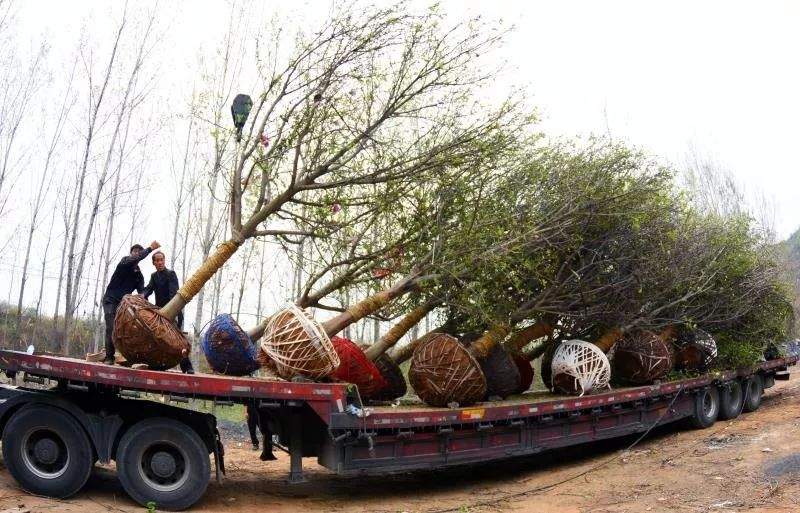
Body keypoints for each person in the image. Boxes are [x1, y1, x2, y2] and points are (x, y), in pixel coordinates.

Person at [102, 241, 160, 365]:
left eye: (139, 252)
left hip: (123, 305)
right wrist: (150, 248)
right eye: (134, 252)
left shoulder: (138, 275)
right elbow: (136, 257)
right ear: (131, 254)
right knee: (111, 328)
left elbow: (142, 294)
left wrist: (151, 308)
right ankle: (109, 357)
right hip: (110, 300)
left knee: (128, 330)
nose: (136, 254)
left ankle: (130, 357)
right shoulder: (124, 262)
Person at [142, 250, 194, 374]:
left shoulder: (171, 274)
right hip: (159, 313)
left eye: (162, 260)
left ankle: (187, 367)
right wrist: (142, 296)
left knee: (177, 340)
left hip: (172, 312)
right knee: (155, 338)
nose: (160, 262)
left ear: (164, 261)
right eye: (157, 260)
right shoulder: (154, 276)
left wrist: (171, 314)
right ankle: (156, 363)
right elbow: (148, 290)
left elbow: (173, 295)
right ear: (154, 263)